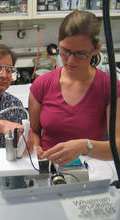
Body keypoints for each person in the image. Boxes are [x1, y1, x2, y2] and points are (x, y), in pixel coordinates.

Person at [29, 10, 120, 166]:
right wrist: (35, 147)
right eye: (65, 51)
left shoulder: (110, 88)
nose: (70, 60)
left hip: (91, 171)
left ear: (96, 49)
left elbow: (117, 148)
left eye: (80, 53)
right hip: (50, 170)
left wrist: (85, 146)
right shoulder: (42, 85)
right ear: (59, 42)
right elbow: (34, 131)